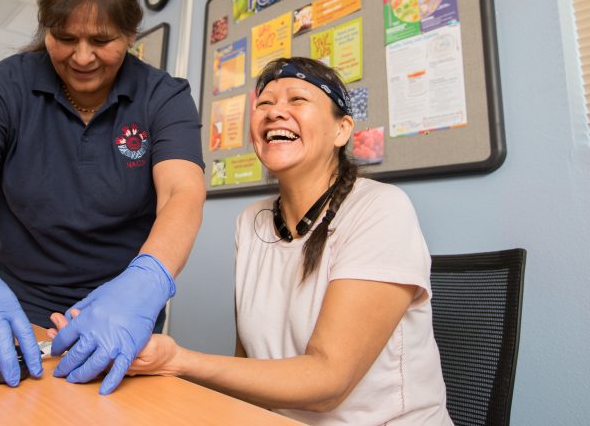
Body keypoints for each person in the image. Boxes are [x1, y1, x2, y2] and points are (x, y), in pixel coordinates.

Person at [51, 57, 452, 424]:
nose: (275, 111)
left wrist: (177, 360)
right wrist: (138, 354)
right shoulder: (251, 222)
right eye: (264, 104)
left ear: (341, 129)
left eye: (298, 99)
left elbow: (327, 382)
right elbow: (250, 370)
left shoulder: (381, 208)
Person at [0, 0, 206, 394]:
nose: (83, 57)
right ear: (45, 28)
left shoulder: (163, 97)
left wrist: (147, 281)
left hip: (119, 309)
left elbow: (181, 193)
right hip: (12, 303)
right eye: (65, 38)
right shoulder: (5, 84)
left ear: (131, 34)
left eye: (102, 40)